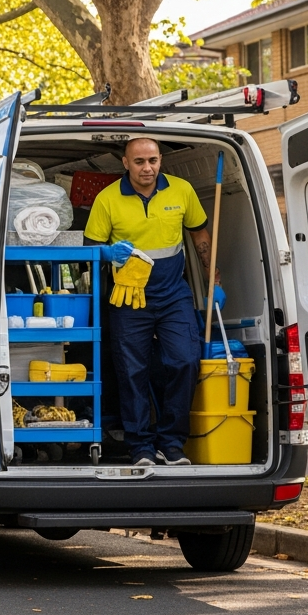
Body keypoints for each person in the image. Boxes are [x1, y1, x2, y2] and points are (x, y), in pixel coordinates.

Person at [84, 137, 224, 467]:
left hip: (173, 294)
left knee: (185, 361)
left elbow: (200, 237)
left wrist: (213, 282)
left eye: (152, 161)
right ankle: (141, 447)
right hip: (129, 296)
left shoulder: (181, 191)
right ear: (125, 163)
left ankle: (172, 443)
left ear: (161, 160)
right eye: (139, 162)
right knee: (132, 371)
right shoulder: (108, 200)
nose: (147, 168)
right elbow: (88, 251)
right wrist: (105, 252)